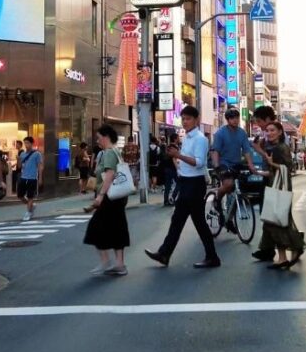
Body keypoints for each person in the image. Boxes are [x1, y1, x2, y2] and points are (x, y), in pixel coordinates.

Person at [145, 106, 221, 269]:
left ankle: (211, 257)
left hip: (194, 184)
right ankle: (165, 253)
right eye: (183, 118)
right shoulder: (186, 138)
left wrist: (178, 155)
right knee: (178, 221)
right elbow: (186, 160)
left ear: (196, 120)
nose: (185, 122)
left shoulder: (200, 139)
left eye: (188, 119)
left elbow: (199, 162)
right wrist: (177, 157)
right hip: (186, 182)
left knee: (195, 222)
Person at [84, 125, 130, 276]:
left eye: (98, 138)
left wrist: (100, 195)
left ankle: (106, 262)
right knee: (117, 228)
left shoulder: (109, 153)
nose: (98, 141)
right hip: (117, 197)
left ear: (106, 137)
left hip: (109, 196)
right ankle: (119, 264)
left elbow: (109, 175)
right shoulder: (116, 151)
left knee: (95, 228)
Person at [259, 121, 306, 269]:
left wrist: (272, 164)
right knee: (275, 221)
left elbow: (288, 167)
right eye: (267, 130)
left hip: (281, 187)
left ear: (280, 132)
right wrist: (258, 171)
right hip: (274, 186)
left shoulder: (281, 148)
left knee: (277, 221)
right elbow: (272, 170)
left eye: (272, 130)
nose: (269, 133)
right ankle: (282, 257)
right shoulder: (271, 147)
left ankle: (294, 249)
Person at [210, 109, 256, 221]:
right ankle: (217, 199)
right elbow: (215, 150)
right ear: (228, 120)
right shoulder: (220, 133)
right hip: (223, 163)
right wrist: (217, 165)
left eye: (237, 118)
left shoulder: (242, 133)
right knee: (228, 184)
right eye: (232, 118)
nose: (235, 120)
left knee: (237, 191)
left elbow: (246, 150)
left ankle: (229, 219)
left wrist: (250, 165)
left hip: (236, 164)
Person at [17, 136, 43, 221]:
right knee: (20, 196)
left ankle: (28, 212)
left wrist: (40, 178)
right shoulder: (22, 154)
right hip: (23, 177)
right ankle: (31, 205)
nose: (26, 145)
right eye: (25, 143)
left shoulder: (37, 154)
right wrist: (18, 160)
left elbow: (40, 166)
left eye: (27, 143)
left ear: (32, 144)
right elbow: (19, 166)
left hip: (32, 178)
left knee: (30, 196)